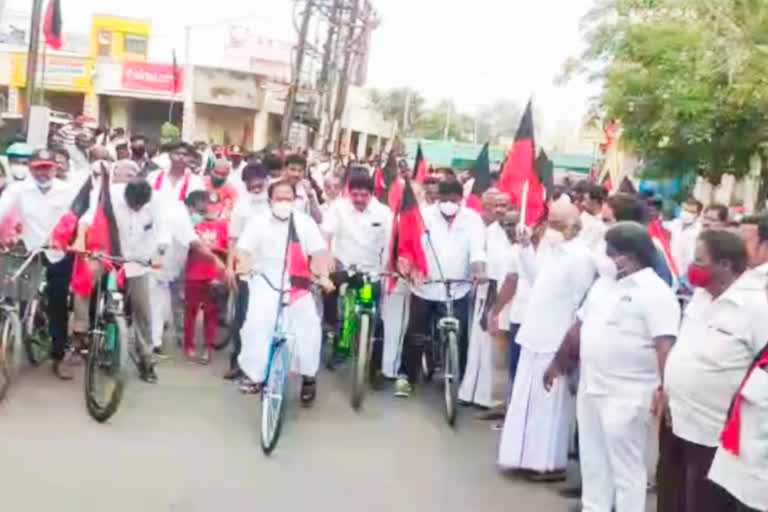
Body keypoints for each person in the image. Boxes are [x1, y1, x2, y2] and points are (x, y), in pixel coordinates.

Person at [544, 222, 680, 512]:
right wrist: (557, 363)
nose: (605, 257)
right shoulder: (604, 284)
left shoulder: (655, 293)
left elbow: (664, 345)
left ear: (628, 256)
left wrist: (666, 391)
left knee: (626, 468)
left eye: (610, 252)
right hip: (592, 386)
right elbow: (580, 327)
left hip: (628, 393)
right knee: (594, 461)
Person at [659, 229, 768, 512]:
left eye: (700, 261)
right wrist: (666, 389)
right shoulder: (700, 297)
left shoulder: (756, 308)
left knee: (704, 502)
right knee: (672, 496)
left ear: (725, 266)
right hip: (676, 418)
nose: (692, 268)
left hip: (713, 431)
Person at [497, 201, 595, 481]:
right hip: (534, 333)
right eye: (549, 222)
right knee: (526, 399)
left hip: (556, 338)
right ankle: (521, 457)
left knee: (551, 405)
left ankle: (549, 465)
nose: (549, 228)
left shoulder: (581, 257)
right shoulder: (551, 251)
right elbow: (536, 278)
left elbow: (580, 302)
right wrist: (526, 248)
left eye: (556, 224)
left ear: (572, 226)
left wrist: (568, 344)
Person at [235, 179, 332, 404]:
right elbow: (244, 251)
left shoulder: (305, 223)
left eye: (288, 198)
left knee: (308, 327)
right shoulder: (258, 222)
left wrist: (323, 275)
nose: (284, 202)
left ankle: (308, 376)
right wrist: (244, 266)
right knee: (256, 325)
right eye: (279, 198)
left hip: (297, 281)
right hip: (264, 280)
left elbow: (318, 253)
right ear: (270, 200)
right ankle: (256, 376)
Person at [394, 179, 487, 398]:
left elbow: (477, 251)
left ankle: (459, 379)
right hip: (426, 285)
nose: (448, 204)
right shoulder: (423, 216)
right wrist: (412, 267)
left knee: (461, 334)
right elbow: (412, 247)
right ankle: (405, 376)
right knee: (416, 334)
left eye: (453, 200)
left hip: (458, 287)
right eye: (444, 200)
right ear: (437, 199)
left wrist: (479, 270)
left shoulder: (472, 219)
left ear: (461, 200)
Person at [0, 149, 77, 379]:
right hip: (29, 249)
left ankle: (58, 355)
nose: (43, 172)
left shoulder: (68, 190)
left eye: (47, 167)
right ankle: (17, 333)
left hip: (59, 252)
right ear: (31, 168)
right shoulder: (19, 189)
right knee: (14, 292)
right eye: (38, 168)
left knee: (57, 302)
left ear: (56, 168)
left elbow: (79, 218)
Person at [321, 172, 393, 376]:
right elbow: (326, 234)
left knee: (375, 317)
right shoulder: (339, 208)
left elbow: (390, 242)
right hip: (346, 269)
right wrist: (327, 258)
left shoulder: (383, 212)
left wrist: (390, 265)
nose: (359, 199)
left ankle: (374, 367)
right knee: (346, 314)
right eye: (355, 195)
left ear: (371, 194)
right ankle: (341, 349)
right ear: (349, 193)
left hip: (372, 273)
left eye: (364, 195)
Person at [460, 192, 513, 410]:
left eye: (505, 205)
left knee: (498, 353)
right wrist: (491, 307)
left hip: (510, 298)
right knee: (480, 346)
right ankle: (473, 394)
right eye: (497, 205)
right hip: (488, 296)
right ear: (488, 205)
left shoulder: (516, 234)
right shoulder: (486, 233)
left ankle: (495, 399)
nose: (500, 209)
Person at [224, 163, 270, 380]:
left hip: (271, 268)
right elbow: (233, 239)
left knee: (265, 318)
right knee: (242, 317)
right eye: (250, 183)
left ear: (266, 179)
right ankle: (237, 362)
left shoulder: (275, 203)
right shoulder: (241, 207)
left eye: (259, 181)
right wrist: (229, 267)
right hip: (245, 268)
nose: (255, 186)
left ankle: (263, 364)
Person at [182, 191, 228, 364]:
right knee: (190, 312)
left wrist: (214, 250)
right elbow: (187, 245)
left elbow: (227, 249)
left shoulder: (223, 226)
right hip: (193, 273)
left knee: (211, 314)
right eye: (204, 203)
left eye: (210, 203)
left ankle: (208, 347)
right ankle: (189, 345)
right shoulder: (192, 224)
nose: (208, 207)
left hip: (214, 275)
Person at [666, 197, 703, 277]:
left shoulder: (699, 231)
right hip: (669, 268)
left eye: (691, 211)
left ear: (698, 214)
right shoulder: (675, 224)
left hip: (684, 274)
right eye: (685, 210)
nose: (687, 213)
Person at [283, 154, 322, 222]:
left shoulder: (308, 190)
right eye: (292, 169)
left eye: (300, 170)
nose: (296, 174)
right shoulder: (274, 187)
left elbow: (318, 219)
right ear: (285, 169)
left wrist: (311, 197)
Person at [579, 184, 607, 250]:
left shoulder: (602, 225)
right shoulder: (584, 215)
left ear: (596, 201)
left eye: (586, 200)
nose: (582, 203)